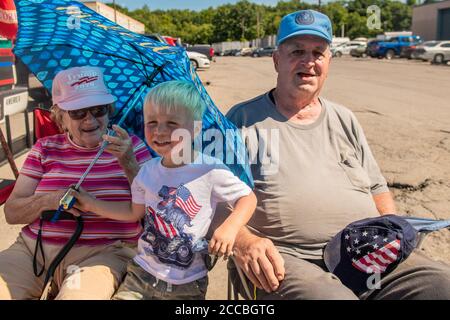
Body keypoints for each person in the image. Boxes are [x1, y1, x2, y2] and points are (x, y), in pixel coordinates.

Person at [225, 10, 450, 299]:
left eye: (318, 52)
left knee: (441, 283)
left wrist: (392, 232)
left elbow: (377, 188)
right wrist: (243, 241)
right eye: (297, 51)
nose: (308, 62)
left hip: (365, 249)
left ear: (329, 62)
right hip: (287, 258)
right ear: (277, 60)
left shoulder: (345, 118)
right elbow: (211, 197)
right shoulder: (241, 120)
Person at [70, 80, 257, 300]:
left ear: (195, 129)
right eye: (152, 122)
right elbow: (134, 212)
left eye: (171, 123)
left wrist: (230, 228)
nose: (159, 131)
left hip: (188, 284)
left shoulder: (209, 169)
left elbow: (248, 197)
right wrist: (91, 204)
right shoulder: (147, 171)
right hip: (142, 275)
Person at [0, 66, 152, 300]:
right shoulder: (44, 148)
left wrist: (129, 163)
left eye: (98, 110)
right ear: (61, 116)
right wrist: (49, 200)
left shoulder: (132, 146)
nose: (90, 119)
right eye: (78, 112)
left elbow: (156, 210)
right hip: (34, 249)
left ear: (109, 111)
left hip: (104, 252)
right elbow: (12, 213)